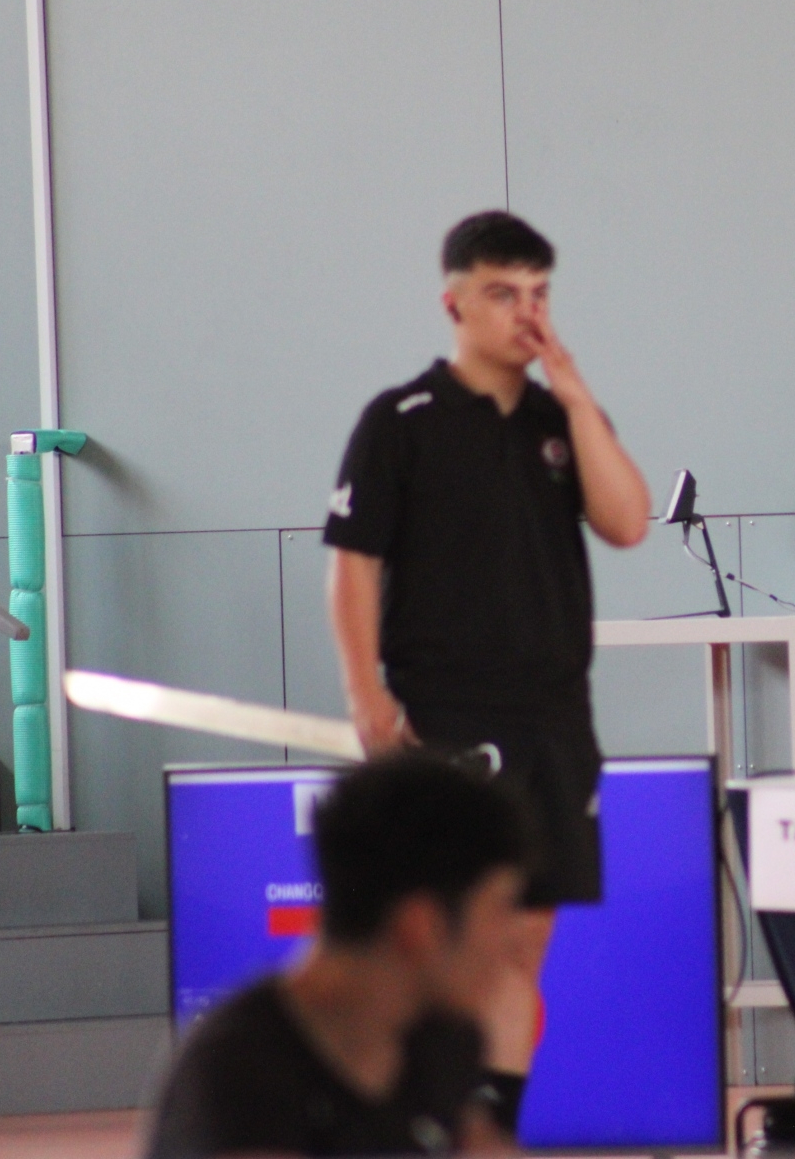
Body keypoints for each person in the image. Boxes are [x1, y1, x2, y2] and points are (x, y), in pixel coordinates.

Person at [322, 210, 652, 1133]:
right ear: (455, 304)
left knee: (521, 948)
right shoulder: (401, 422)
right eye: (504, 294)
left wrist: (577, 396)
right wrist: (367, 696)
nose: (525, 314)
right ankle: (410, 1122)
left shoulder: (559, 421)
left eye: (539, 295)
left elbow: (628, 523)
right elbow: (352, 565)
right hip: (448, 716)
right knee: (446, 946)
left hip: (556, 718)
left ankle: (486, 1132)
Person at [146, 755, 533, 1157]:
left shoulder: (444, 1040)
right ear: (420, 927)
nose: (514, 942)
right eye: (499, 910)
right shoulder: (238, 1072)